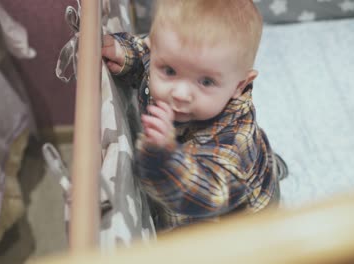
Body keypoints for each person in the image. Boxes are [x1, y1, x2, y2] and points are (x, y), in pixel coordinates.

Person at [102, 0, 287, 232]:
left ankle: (265, 172)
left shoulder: (236, 136)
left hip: (234, 218)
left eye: (206, 81)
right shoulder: (170, 58)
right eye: (169, 71)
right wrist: (125, 53)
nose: (179, 94)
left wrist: (165, 161)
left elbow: (208, 195)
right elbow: (145, 55)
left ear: (240, 86)